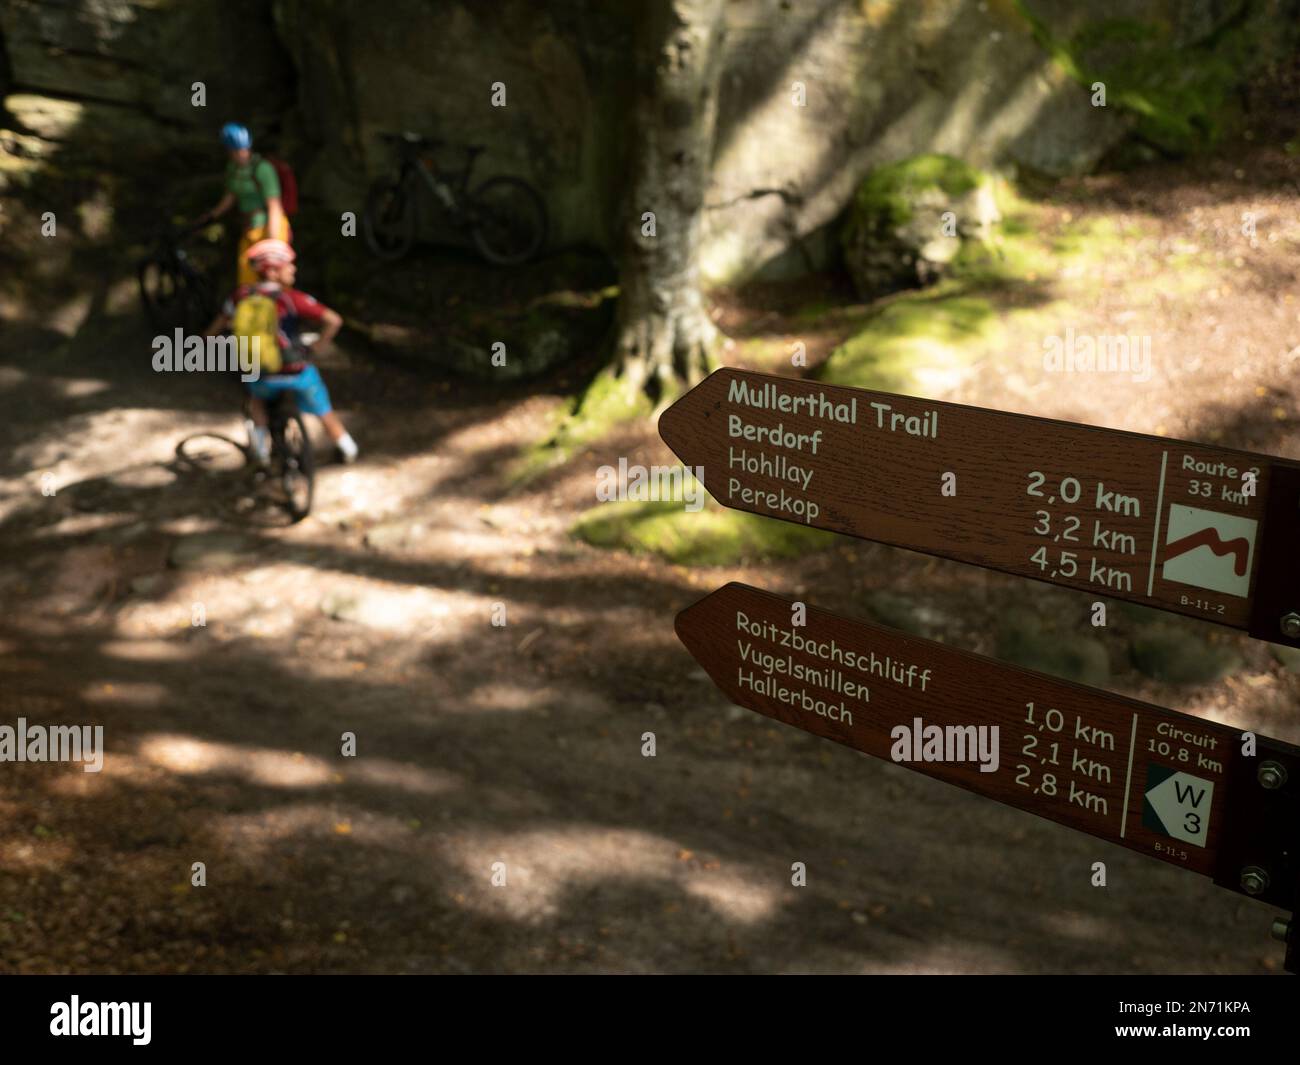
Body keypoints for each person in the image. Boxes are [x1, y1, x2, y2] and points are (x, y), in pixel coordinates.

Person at [204, 238, 359, 465]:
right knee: (324, 409)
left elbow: (215, 330)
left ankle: (261, 451)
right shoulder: (291, 298)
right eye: (289, 264)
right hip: (296, 370)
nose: (294, 268)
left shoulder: (240, 296)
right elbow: (334, 320)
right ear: (274, 271)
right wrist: (317, 346)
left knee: (256, 400)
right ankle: (347, 447)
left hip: (261, 372)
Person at [197, 123, 291, 287]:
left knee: (276, 282)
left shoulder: (263, 169)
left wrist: (274, 242)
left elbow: (274, 207)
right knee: (248, 282)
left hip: (270, 228)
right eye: (236, 150)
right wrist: (212, 215)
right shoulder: (233, 169)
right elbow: (231, 196)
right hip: (250, 229)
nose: (240, 153)